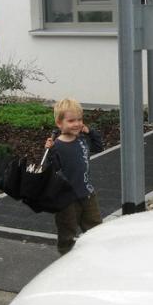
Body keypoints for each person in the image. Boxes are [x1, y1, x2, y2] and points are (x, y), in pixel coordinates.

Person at [45, 98, 104, 255]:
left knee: (96, 228)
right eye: (71, 121)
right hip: (66, 200)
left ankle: (96, 255)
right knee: (67, 232)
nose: (77, 124)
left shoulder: (82, 140)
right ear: (59, 123)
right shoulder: (57, 146)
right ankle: (66, 258)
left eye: (79, 120)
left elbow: (99, 147)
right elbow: (50, 169)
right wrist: (49, 152)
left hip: (87, 193)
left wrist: (90, 132)